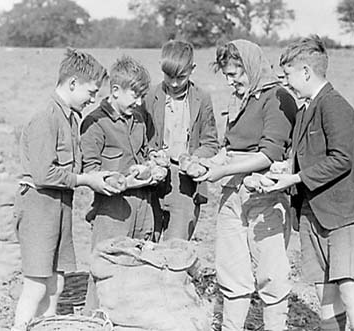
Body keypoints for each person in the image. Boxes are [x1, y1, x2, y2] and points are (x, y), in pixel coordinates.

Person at [266, 35, 354, 331]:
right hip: (312, 212)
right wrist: (282, 172)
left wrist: (296, 177)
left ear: (306, 71)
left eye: (287, 74)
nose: (285, 81)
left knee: (350, 290)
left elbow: (343, 159)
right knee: (324, 293)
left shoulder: (335, 105)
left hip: (342, 213)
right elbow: (306, 157)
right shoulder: (305, 109)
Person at [12, 48, 117, 331]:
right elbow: (44, 173)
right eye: (91, 92)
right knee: (35, 285)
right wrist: (86, 181)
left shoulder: (70, 117)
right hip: (39, 206)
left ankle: (46, 326)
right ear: (73, 84)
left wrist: (98, 175)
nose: (94, 99)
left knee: (56, 283)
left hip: (59, 205)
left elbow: (72, 168)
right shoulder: (46, 117)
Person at [195, 39, 297, 331]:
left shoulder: (278, 97)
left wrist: (222, 170)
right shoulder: (240, 99)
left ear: (250, 68)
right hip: (232, 192)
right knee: (231, 269)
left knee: (271, 271)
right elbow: (230, 146)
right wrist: (210, 164)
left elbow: (268, 154)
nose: (230, 81)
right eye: (226, 75)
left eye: (234, 74)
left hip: (264, 193)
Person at [80, 55, 154, 312]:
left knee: (140, 272)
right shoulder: (94, 123)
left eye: (142, 96)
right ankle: (94, 322)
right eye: (135, 95)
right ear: (115, 90)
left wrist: (151, 168)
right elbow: (90, 170)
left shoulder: (140, 117)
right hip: (112, 210)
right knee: (104, 273)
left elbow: (146, 153)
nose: (140, 102)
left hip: (144, 208)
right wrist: (120, 180)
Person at [141, 40, 219, 241]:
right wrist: (152, 155)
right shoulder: (148, 97)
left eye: (181, 77)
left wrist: (193, 159)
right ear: (161, 67)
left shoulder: (202, 98)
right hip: (153, 178)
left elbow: (210, 143)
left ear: (192, 69)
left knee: (177, 243)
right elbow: (140, 138)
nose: (174, 83)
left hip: (185, 181)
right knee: (147, 239)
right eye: (169, 76)